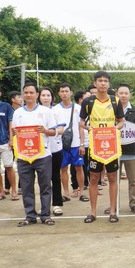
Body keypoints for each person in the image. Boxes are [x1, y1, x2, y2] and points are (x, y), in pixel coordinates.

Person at [79, 71, 125, 223]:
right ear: (95, 83)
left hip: (111, 145)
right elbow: (81, 123)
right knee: (93, 177)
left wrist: (114, 129)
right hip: (95, 145)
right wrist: (89, 128)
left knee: (112, 177)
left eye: (105, 81)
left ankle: (112, 211)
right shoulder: (88, 102)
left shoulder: (115, 101)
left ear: (109, 84)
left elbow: (121, 122)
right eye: (100, 80)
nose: (103, 83)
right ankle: (93, 212)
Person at [12, 83, 57, 226]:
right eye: (26, 93)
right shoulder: (18, 112)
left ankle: (45, 215)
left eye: (31, 92)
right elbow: (14, 132)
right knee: (26, 187)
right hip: (24, 155)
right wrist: (14, 135)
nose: (28, 95)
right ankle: (30, 215)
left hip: (43, 155)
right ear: (23, 95)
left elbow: (54, 132)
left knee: (45, 186)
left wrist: (45, 131)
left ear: (37, 94)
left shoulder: (46, 111)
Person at [54, 84, 86, 215]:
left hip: (76, 143)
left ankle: (81, 192)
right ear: (59, 93)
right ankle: (66, 193)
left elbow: (81, 127)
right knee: (63, 169)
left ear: (71, 93)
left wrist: (82, 144)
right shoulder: (55, 109)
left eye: (67, 91)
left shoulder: (78, 108)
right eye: (62, 91)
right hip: (61, 145)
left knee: (79, 167)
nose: (64, 93)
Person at [114, 84, 135, 212]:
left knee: (133, 180)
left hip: (131, 151)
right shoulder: (111, 109)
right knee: (114, 180)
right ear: (116, 95)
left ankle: (134, 203)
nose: (123, 95)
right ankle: (114, 204)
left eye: (126, 93)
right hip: (114, 151)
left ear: (129, 95)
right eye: (121, 93)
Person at [39, 87, 65, 217]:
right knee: (43, 180)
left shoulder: (56, 111)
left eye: (48, 95)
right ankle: (44, 206)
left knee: (55, 177)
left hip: (55, 149)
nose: (46, 97)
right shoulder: (35, 112)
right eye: (43, 95)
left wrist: (49, 131)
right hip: (40, 151)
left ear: (52, 97)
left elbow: (61, 129)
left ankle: (56, 204)